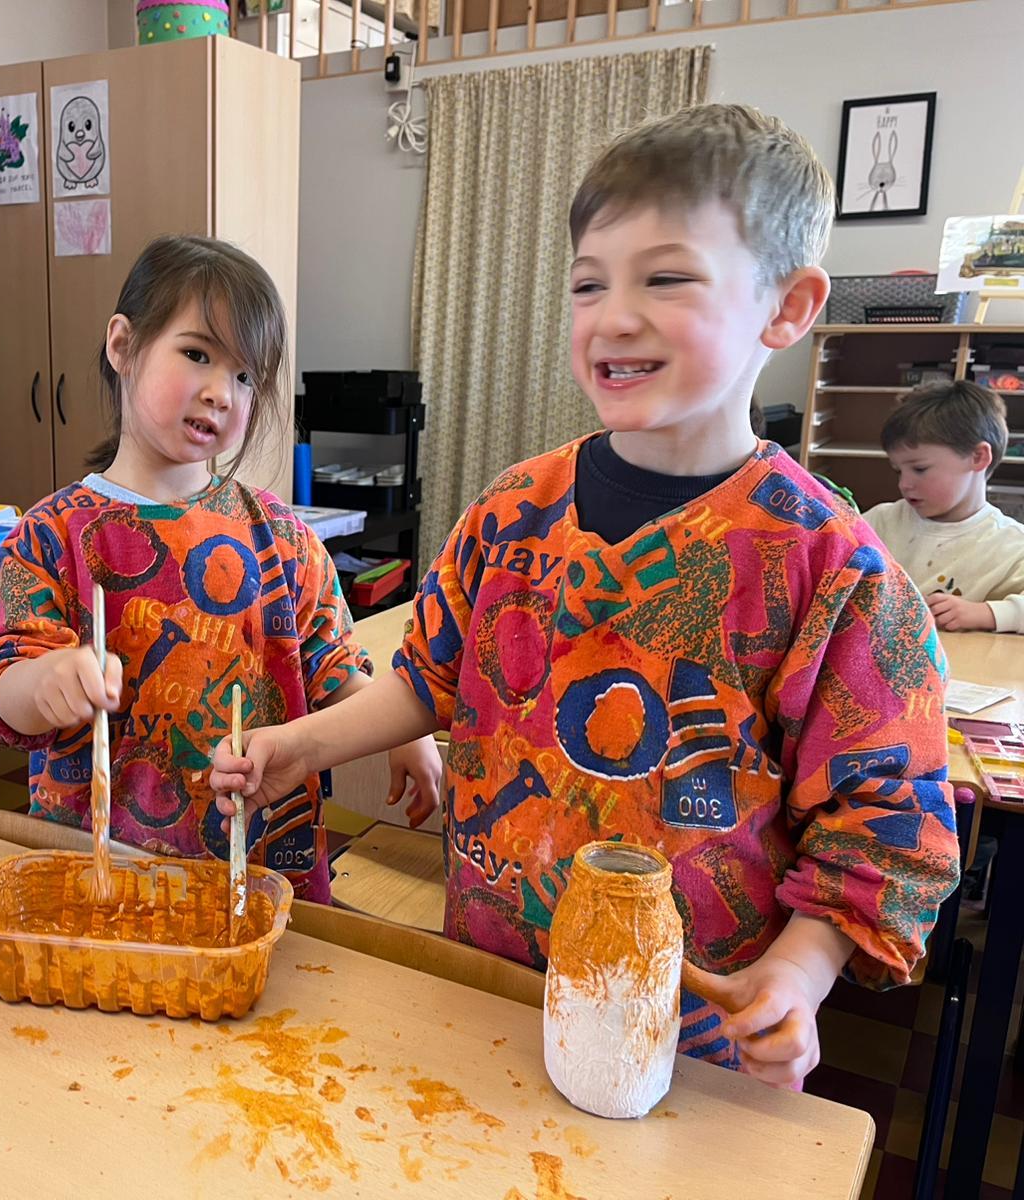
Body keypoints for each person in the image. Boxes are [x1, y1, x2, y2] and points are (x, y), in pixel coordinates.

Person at [212, 105, 959, 1085]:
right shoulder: (513, 509)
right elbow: (429, 680)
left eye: (666, 279)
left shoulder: (833, 568)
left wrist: (798, 970)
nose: (612, 316)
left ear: (785, 307)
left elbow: (886, 818)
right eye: (587, 284)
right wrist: (298, 748)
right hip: (485, 988)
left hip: (684, 1033)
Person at [0, 234, 441, 900]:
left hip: (258, 877)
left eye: (245, 377)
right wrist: (42, 683)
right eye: (197, 354)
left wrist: (400, 734)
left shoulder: (283, 538)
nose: (221, 393)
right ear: (123, 346)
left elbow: (334, 666)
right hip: (99, 878)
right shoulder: (52, 535)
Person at [863, 380, 1024, 632]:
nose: (904, 484)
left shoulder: (1011, 545)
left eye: (920, 469)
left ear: (978, 457)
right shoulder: (879, 523)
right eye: (898, 470)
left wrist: (986, 613)